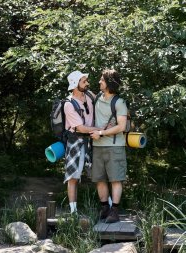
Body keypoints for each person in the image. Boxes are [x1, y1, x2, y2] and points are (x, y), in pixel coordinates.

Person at [90, 69, 128, 223]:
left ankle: (115, 211)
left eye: (102, 80)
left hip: (115, 147)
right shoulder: (98, 97)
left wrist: (101, 133)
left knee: (115, 179)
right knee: (99, 179)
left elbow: (121, 127)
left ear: (109, 83)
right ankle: (105, 208)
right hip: (97, 146)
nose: (99, 82)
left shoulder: (119, 102)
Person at [64, 70, 101, 214]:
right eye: (84, 81)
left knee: (99, 174)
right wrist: (102, 129)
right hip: (76, 142)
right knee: (73, 177)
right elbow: (81, 128)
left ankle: (108, 207)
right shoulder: (69, 104)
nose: (87, 83)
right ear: (75, 84)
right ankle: (73, 212)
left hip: (92, 140)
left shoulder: (90, 95)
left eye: (86, 80)